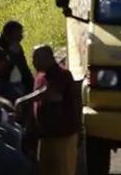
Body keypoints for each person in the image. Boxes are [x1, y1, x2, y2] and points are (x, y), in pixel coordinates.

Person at [16, 45, 81, 175]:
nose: (33, 62)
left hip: (62, 136)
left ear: (48, 58)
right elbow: (36, 105)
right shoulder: (40, 76)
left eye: (36, 58)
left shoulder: (62, 74)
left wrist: (23, 100)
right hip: (45, 135)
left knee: (62, 170)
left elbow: (51, 93)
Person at [0, 20, 35, 99]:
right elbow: (0, 71)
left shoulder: (15, 46)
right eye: (18, 35)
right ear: (8, 35)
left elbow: (24, 69)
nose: (21, 37)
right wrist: (13, 54)